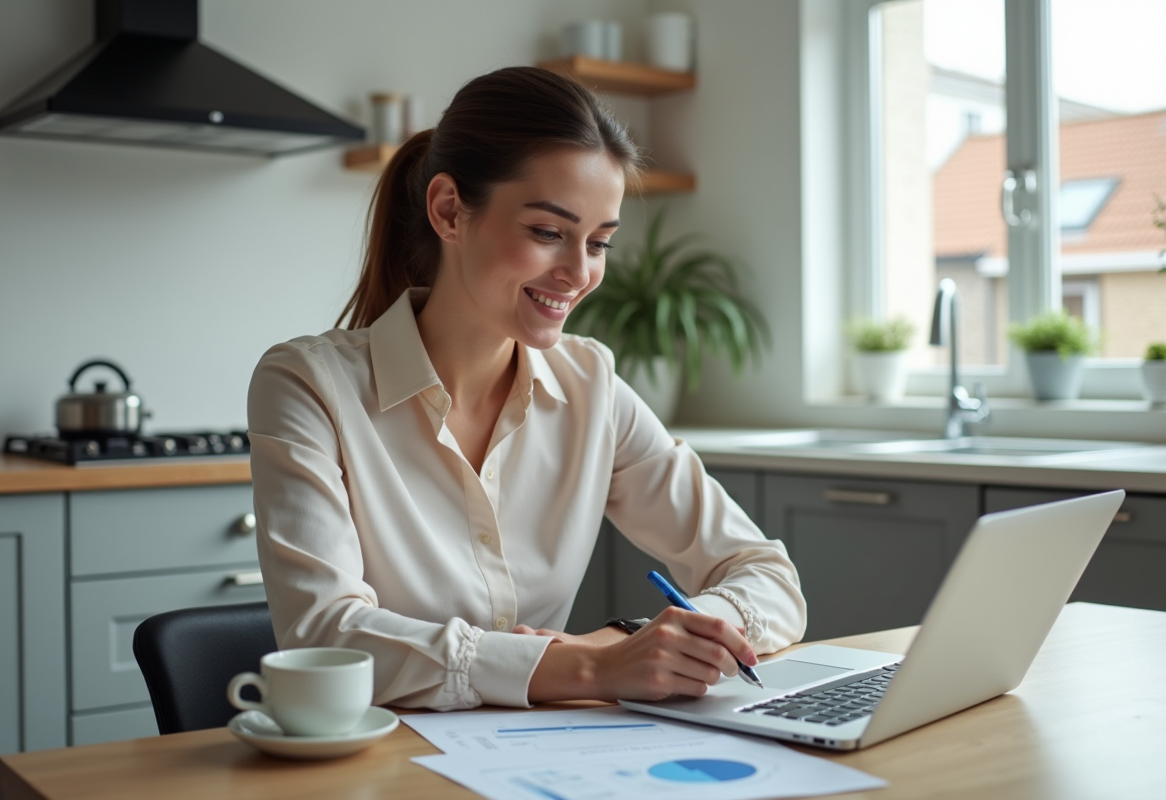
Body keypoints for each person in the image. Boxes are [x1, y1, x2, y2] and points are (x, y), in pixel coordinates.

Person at [247, 66, 805, 712]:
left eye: (599, 242)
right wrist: (587, 669)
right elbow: (326, 637)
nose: (579, 272)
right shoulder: (307, 387)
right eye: (548, 233)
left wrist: (640, 640)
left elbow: (769, 576)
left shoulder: (591, 387)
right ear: (449, 211)